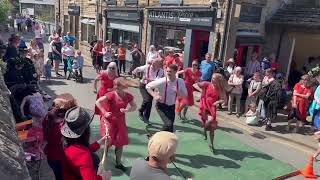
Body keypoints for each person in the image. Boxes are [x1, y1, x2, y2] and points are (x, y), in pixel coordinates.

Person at [95, 77, 137, 171]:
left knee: (120, 143)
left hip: (120, 121)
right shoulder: (111, 95)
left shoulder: (128, 96)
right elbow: (98, 102)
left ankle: (118, 163)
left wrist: (127, 110)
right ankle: (102, 164)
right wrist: (104, 112)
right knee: (107, 142)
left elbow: (134, 106)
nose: (116, 87)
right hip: (109, 120)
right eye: (116, 85)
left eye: (119, 85)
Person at [61, 106, 111, 180]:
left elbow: (80, 152)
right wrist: (103, 178)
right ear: (86, 131)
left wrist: (99, 142)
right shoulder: (83, 155)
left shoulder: (68, 145)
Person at [42, 94, 77, 180]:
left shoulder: (47, 118)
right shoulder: (64, 125)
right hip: (62, 158)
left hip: (51, 155)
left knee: (58, 177)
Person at [146, 64, 187, 132]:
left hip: (171, 107)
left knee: (170, 128)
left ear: (175, 72)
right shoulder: (162, 81)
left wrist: (178, 92)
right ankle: (155, 137)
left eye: (170, 71)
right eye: (167, 71)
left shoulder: (180, 82)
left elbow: (185, 95)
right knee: (168, 124)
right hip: (161, 106)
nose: (168, 73)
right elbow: (148, 86)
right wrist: (154, 95)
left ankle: (165, 141)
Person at [193, 73, 225, 151]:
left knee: (212, 127)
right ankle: (205, 129)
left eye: (214, 79)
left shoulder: (220, 88)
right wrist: (202, 90)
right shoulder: (207, 84)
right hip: (205, 105)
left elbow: (224, 99)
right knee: (207, 122)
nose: (212, 79)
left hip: (212, 108)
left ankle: (211, 143)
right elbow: (195, 84)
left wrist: (217, 102)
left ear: (218, 80)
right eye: (212, 78)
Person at [132, 59, 165, 124]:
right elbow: (137, 69)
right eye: (153, 63)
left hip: (151, 87)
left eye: (155, 63)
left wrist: (147, 79)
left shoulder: (161, 71)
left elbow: (156, 81)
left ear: (159, 65)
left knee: (150, 102)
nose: (153, 64)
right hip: (143, 86)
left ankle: (146, 118)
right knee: (147, 100)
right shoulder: (147, 67)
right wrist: (134, 73)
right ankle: (141, 110)